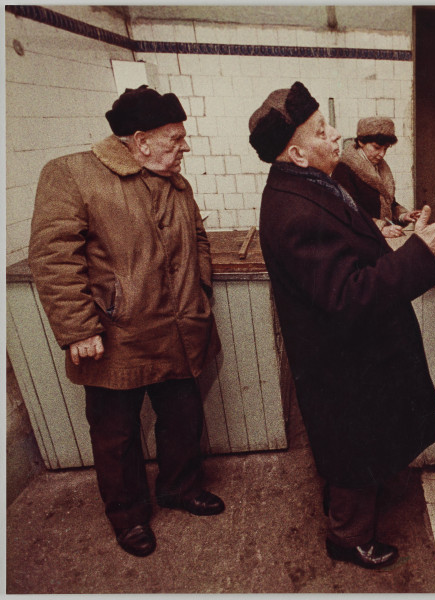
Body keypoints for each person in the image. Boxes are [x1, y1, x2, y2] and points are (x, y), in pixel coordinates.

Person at [248, 82, 435, 569]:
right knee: (351, 445)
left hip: (349, 354)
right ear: (297, 154)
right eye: (321, 131)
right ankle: (347, 538)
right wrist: (422, 250)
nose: (335, 137)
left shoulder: (311, 185)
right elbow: (348, 297)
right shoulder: (294, 211)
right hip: (340, 361)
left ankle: (352, 512)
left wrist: (402, 235)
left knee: (359, 441)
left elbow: (348, 248)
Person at [28, 85, 224, 558]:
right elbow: (54, 257)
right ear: (140, 141)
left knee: (182, 416)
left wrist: (199, 293)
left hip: (178, 329)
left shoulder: (177, 183)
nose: (185, 147)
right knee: (115, 434)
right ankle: (128, 515)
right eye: (176, 138)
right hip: (116, 336)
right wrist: (79, 329)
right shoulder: (71, 175)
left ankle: (179, 487)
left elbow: (197, 239)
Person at [332, 116, 421, 238]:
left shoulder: (380, 167)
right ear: (361, 142)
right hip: (357, 240)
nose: (382, 154)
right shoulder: (343, 169)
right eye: (377, 148)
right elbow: (348, 212)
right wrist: (380, 228)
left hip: (375, 239)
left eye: (385, 148)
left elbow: (388, 203)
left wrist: (403, 216)